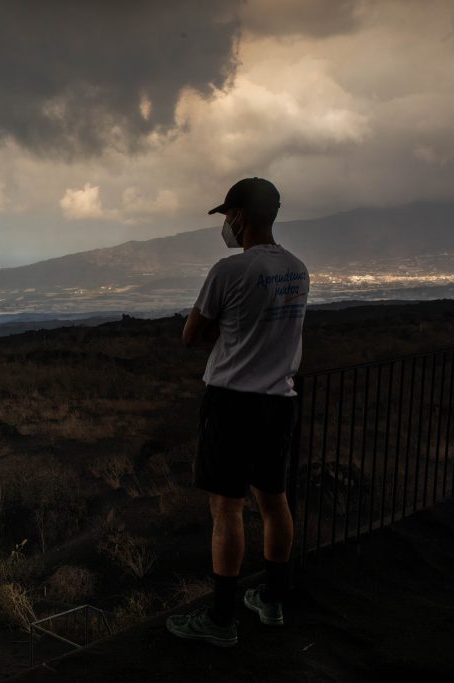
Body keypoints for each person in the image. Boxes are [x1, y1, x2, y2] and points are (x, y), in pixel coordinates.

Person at [166, 177, 309, 647]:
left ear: (241, 217)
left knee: (226, 509)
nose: (226, 224)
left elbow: (191, 336)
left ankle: (222, 620)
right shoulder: (297, 270)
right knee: (274, 499)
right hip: (280, 401)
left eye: (228, 215)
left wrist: (225, 334)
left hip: (232, 402)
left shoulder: (228, 272)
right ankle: (272, 600)